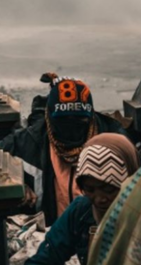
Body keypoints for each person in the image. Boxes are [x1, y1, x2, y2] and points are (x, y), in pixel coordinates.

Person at [22, 133, 140, 265]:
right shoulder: (81, 212)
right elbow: (37, 264)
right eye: (90, 189)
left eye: (109, 189)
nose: (99, 199)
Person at [2, 76, 126, 226]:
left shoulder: (116, 143)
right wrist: (16, 181)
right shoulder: (26, 144)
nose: (71, 128)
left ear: (91, 117)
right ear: (49, 118)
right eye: (64, 121)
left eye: (78, 121)